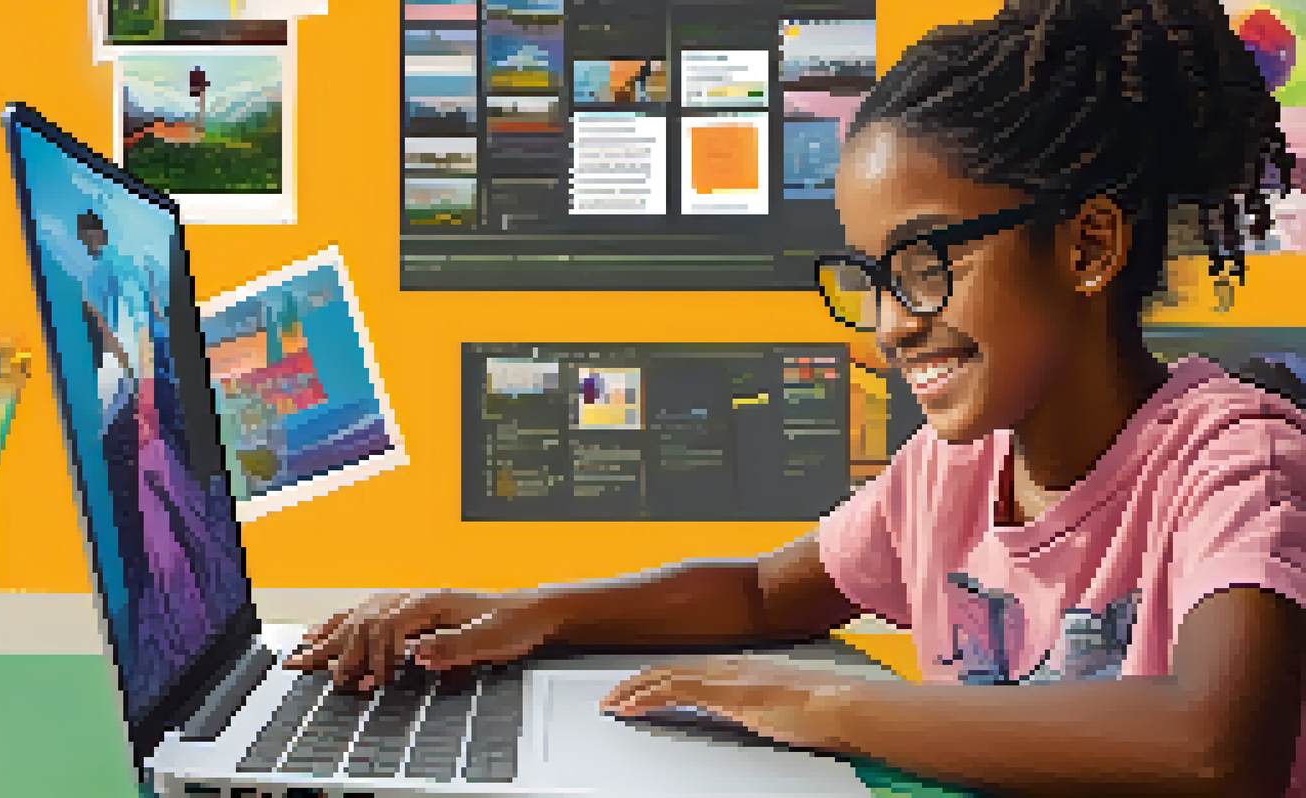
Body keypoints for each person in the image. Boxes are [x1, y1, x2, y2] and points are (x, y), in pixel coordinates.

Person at [287, 0, 1306, 794]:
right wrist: (528, 612)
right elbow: (761, 593)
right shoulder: (947, 474)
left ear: (1086, 247)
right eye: (868, 277)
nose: (889, 324)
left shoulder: (1234, 462)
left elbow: (1216, 746)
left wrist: (828, 705)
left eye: (922, 263)